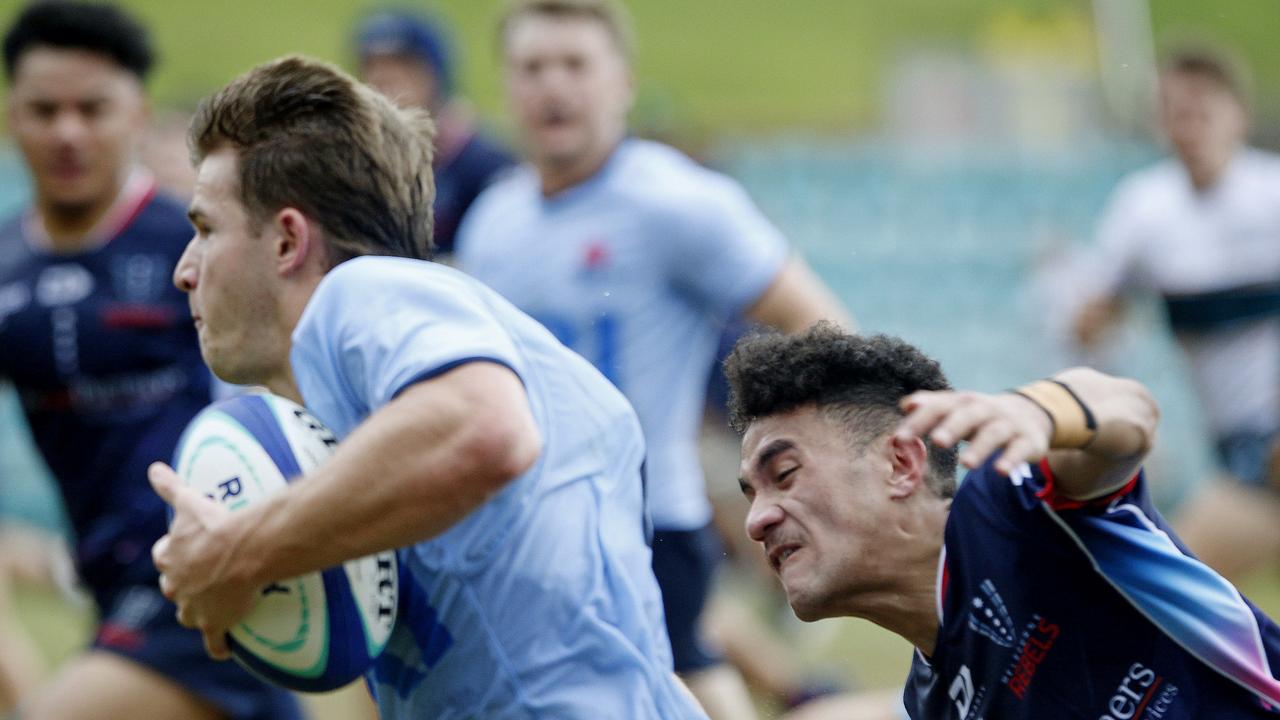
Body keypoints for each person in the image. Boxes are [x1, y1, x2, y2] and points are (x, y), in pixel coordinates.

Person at [147, 54, 707, 719]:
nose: (185, 270)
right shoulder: (365, 383)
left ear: (288, 241)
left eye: (206, 229)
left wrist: (238, 554)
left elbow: (487, 430)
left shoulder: (363, 291)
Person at [455, 2, 850, 715]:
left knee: (683, 687)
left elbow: (815, 319)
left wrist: (809, 453)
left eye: (575, 65)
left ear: (623, 82)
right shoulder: (493, 222)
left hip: (646, 523)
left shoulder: (675, 202)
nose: (553, 87)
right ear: (506, 85)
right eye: (532, 68)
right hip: (524, 528)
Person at [728, 322, 1280, 718]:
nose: (757, 520)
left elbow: (1129, 410)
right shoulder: (935, 700)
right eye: (751, 494)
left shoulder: (1018, 505)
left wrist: (1040, 410)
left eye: (786, 473)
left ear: (900, 464)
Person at [0, 4, 301, 718]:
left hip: (209, 576)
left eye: (92, 108)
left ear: (137, 112)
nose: (68, 131)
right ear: (13, 116)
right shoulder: (6, 264)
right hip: (110, 593)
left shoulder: (197, 247)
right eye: (44, 110)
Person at [1072, 48, 1280, 582]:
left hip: (1268, 448)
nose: (1188, 126)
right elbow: (1090, 322)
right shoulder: (1145, 208)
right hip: (1240, 455)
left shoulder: (1271, 192)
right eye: (1173, 111)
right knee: (1160, 597)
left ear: (1238, 114)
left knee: (1161, 591)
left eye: (1201, 110)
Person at [354, 8, 513, 258]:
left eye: (403, 65)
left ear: (435, 75)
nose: (384, 79)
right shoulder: (358, 166)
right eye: (372, 66)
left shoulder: (487, 165)